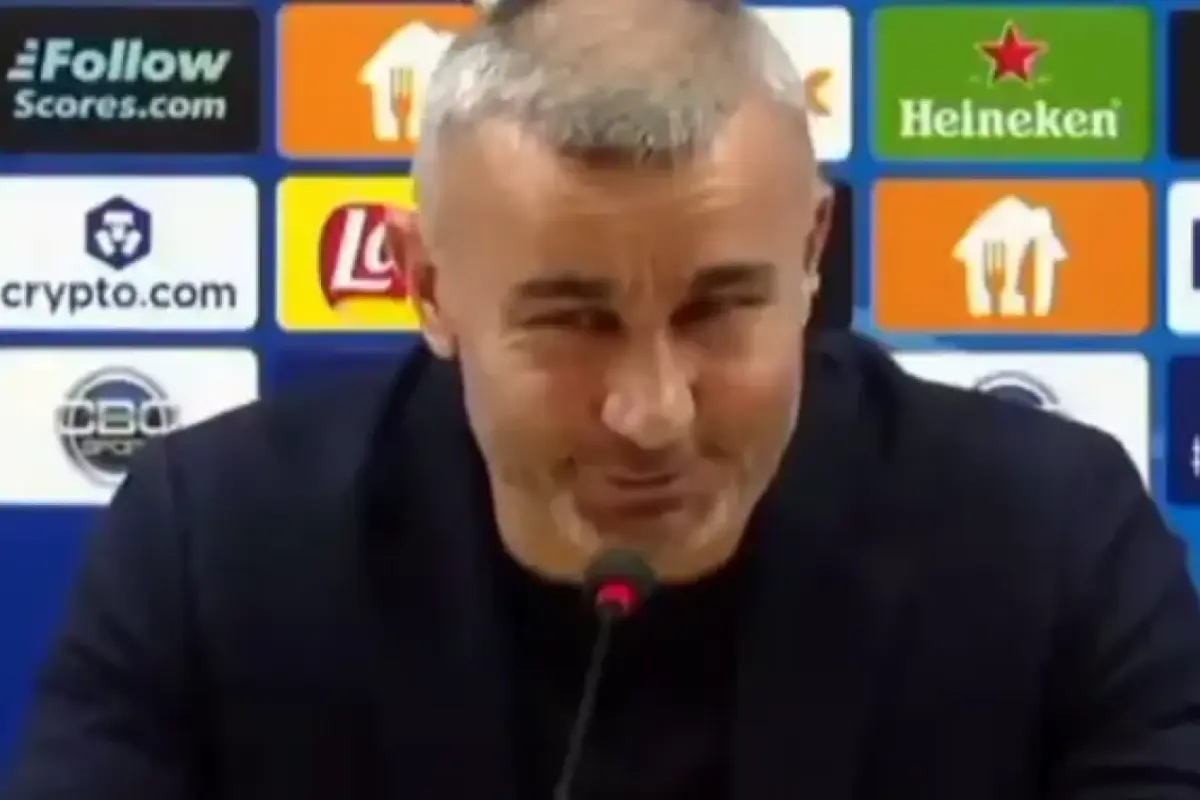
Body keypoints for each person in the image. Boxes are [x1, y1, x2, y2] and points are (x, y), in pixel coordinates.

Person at [6, 0, 1200, 796]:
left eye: (719, 308)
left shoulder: (1051, 533)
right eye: (572, 321)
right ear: (428, 286)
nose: (654, 410)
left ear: (811, 252)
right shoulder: (212, 540)